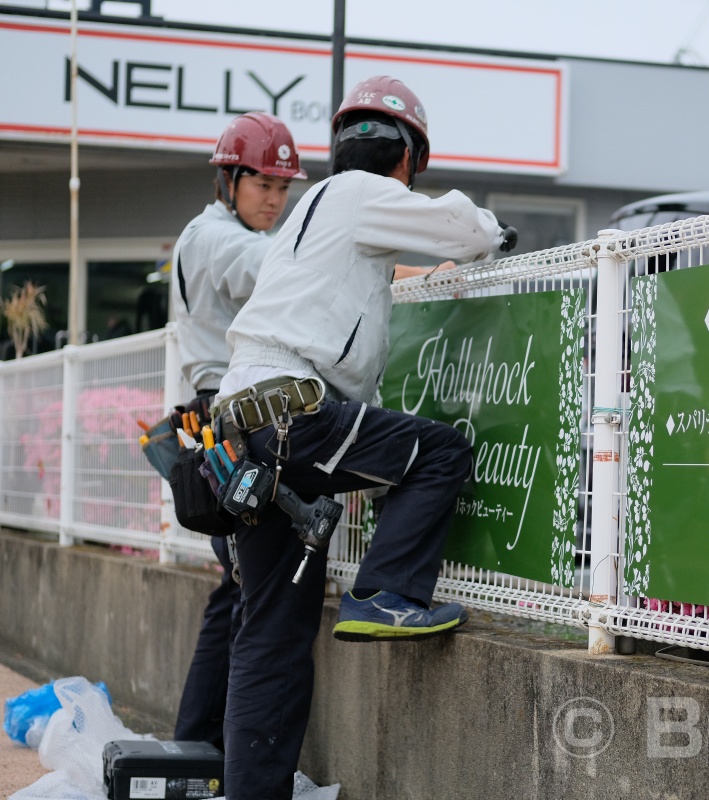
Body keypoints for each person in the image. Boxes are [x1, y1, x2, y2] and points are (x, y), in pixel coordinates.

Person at [211, 75, 516, 799]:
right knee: (440, 453)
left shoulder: (311, 216)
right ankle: (384, 594)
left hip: (245, 430)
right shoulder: (357, 194)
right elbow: (461, 228)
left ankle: (253, 792)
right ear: (408, 157)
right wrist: (496, 236)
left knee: (271, 632)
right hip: (293, 416)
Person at [168, 111, 307, 751]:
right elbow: (292, 271)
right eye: (262, 186)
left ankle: (199, 751)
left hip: (217, 418)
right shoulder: (216, 238)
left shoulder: (216, 232)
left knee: (235, 591)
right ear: (229, 179)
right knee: (246, 594)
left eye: (283, 188)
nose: (275, 200)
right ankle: (208, 753)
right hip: (226, 419)